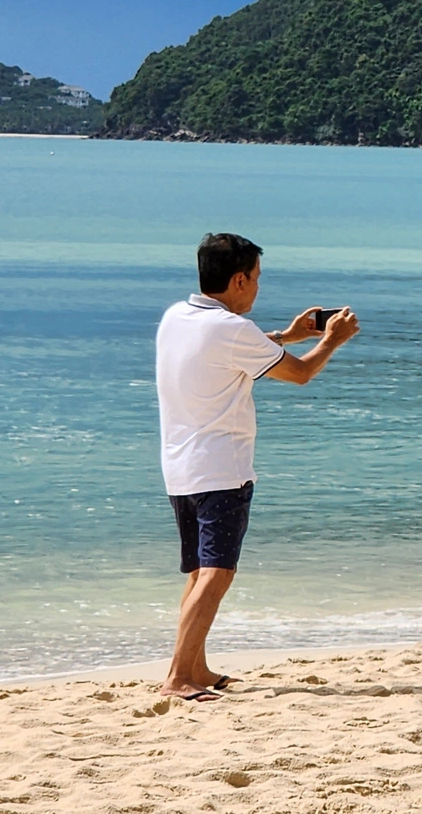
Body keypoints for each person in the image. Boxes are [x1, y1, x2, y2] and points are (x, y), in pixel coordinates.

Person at [155, 232, 360, 701]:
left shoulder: (178, 317)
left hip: (180, 467)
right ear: (240, 279)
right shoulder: (231, 331)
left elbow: (234, 350)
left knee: (198, 572)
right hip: (221, 470)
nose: (258, 288)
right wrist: (332, 340)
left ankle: (196, 668)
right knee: (216, 573)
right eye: (258, 280)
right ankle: (177, 678)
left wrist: (289, 335)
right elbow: (301, 373)